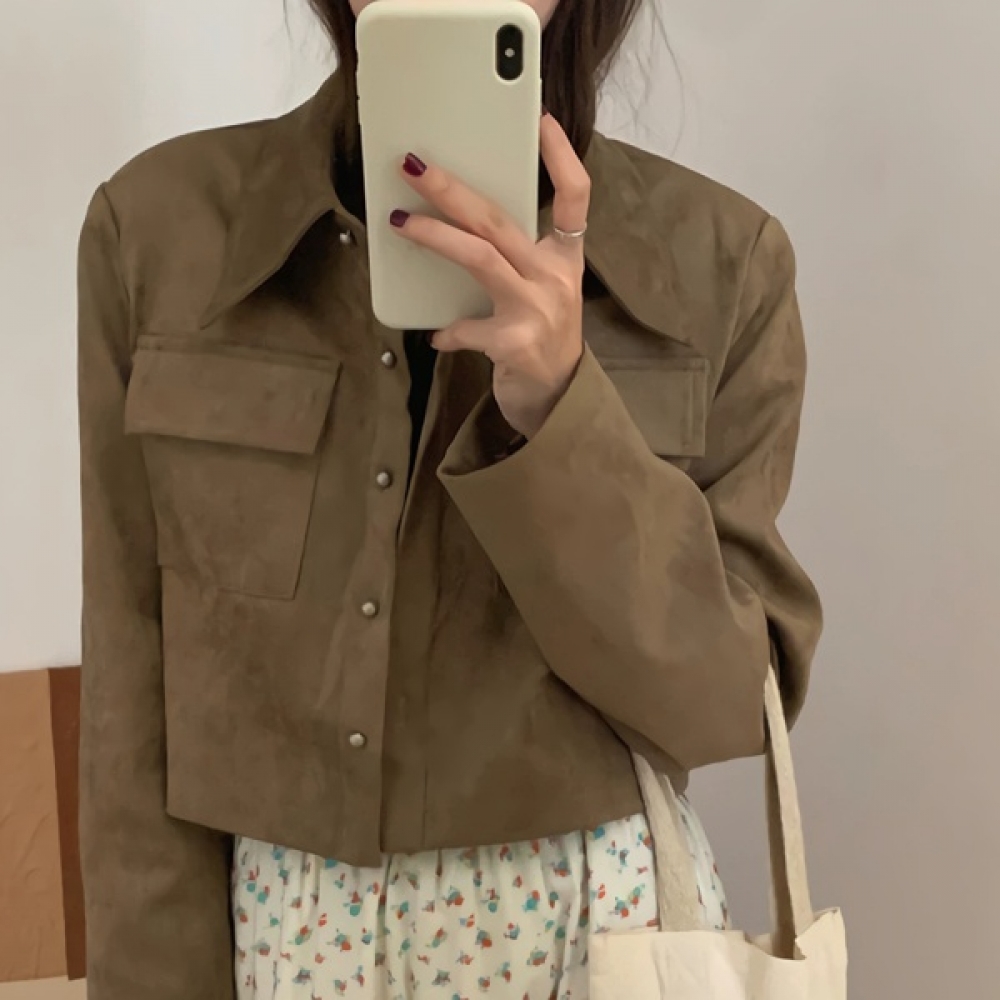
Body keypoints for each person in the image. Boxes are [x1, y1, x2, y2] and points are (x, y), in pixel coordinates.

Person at [76, 0, 823, 997]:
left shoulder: (722, 261)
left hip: (593, 942)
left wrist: (561, 414)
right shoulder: (159, 231)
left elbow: (728, 706)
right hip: (285, 949)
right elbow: (131, 696)